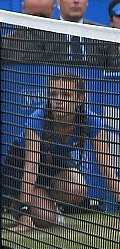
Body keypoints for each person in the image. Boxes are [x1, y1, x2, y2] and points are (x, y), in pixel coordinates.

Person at [11, 72, 120, 232]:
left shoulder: (92, 122)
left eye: (66, 94)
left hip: (55, 164)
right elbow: (30, 168)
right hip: (21, 167)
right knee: (44, 217)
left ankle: (50, 202)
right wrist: (25, 215)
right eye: (53, 94)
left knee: (78, 189)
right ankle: (21, 204)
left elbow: (108, 171)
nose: (58, 100)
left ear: (80, 98)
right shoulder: (36, 120)